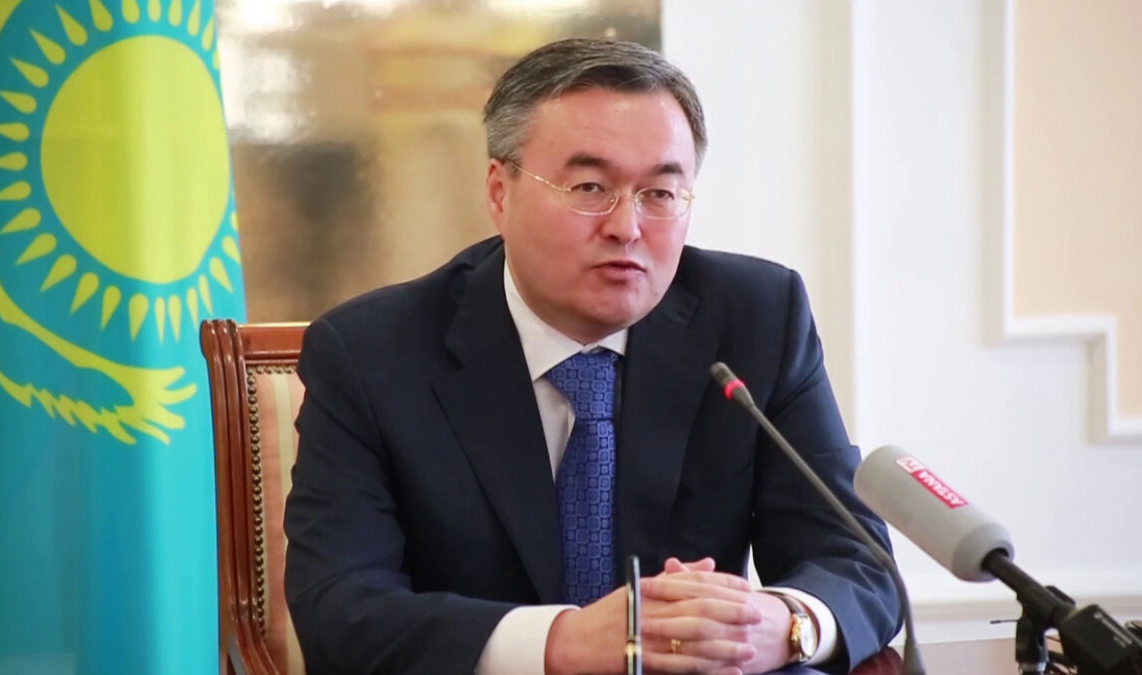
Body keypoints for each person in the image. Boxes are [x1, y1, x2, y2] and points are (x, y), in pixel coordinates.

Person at [284, 38, 900, 675]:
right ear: (499, 192)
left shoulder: (757, 319)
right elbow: (339, 612)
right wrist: (563, 642)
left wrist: (783, 625)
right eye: (589, 186)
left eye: (660, 193)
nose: (626, 228)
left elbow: (859, 561)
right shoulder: (370, 355)